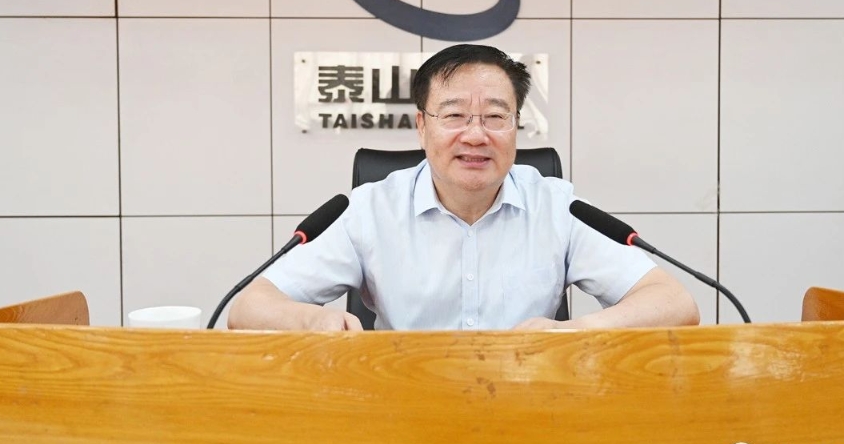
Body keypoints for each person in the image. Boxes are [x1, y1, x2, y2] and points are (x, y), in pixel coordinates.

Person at [228, 44, 700, 331]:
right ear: (421, 126)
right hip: (402, 410)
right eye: (454, 115)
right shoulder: (370, 210)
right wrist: (315, 320)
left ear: (516, 126)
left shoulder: (558, 207)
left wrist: (576, 332)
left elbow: (674, 302)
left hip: (530, 408)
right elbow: (250, 307)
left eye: (495, 116)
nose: (475, 135)